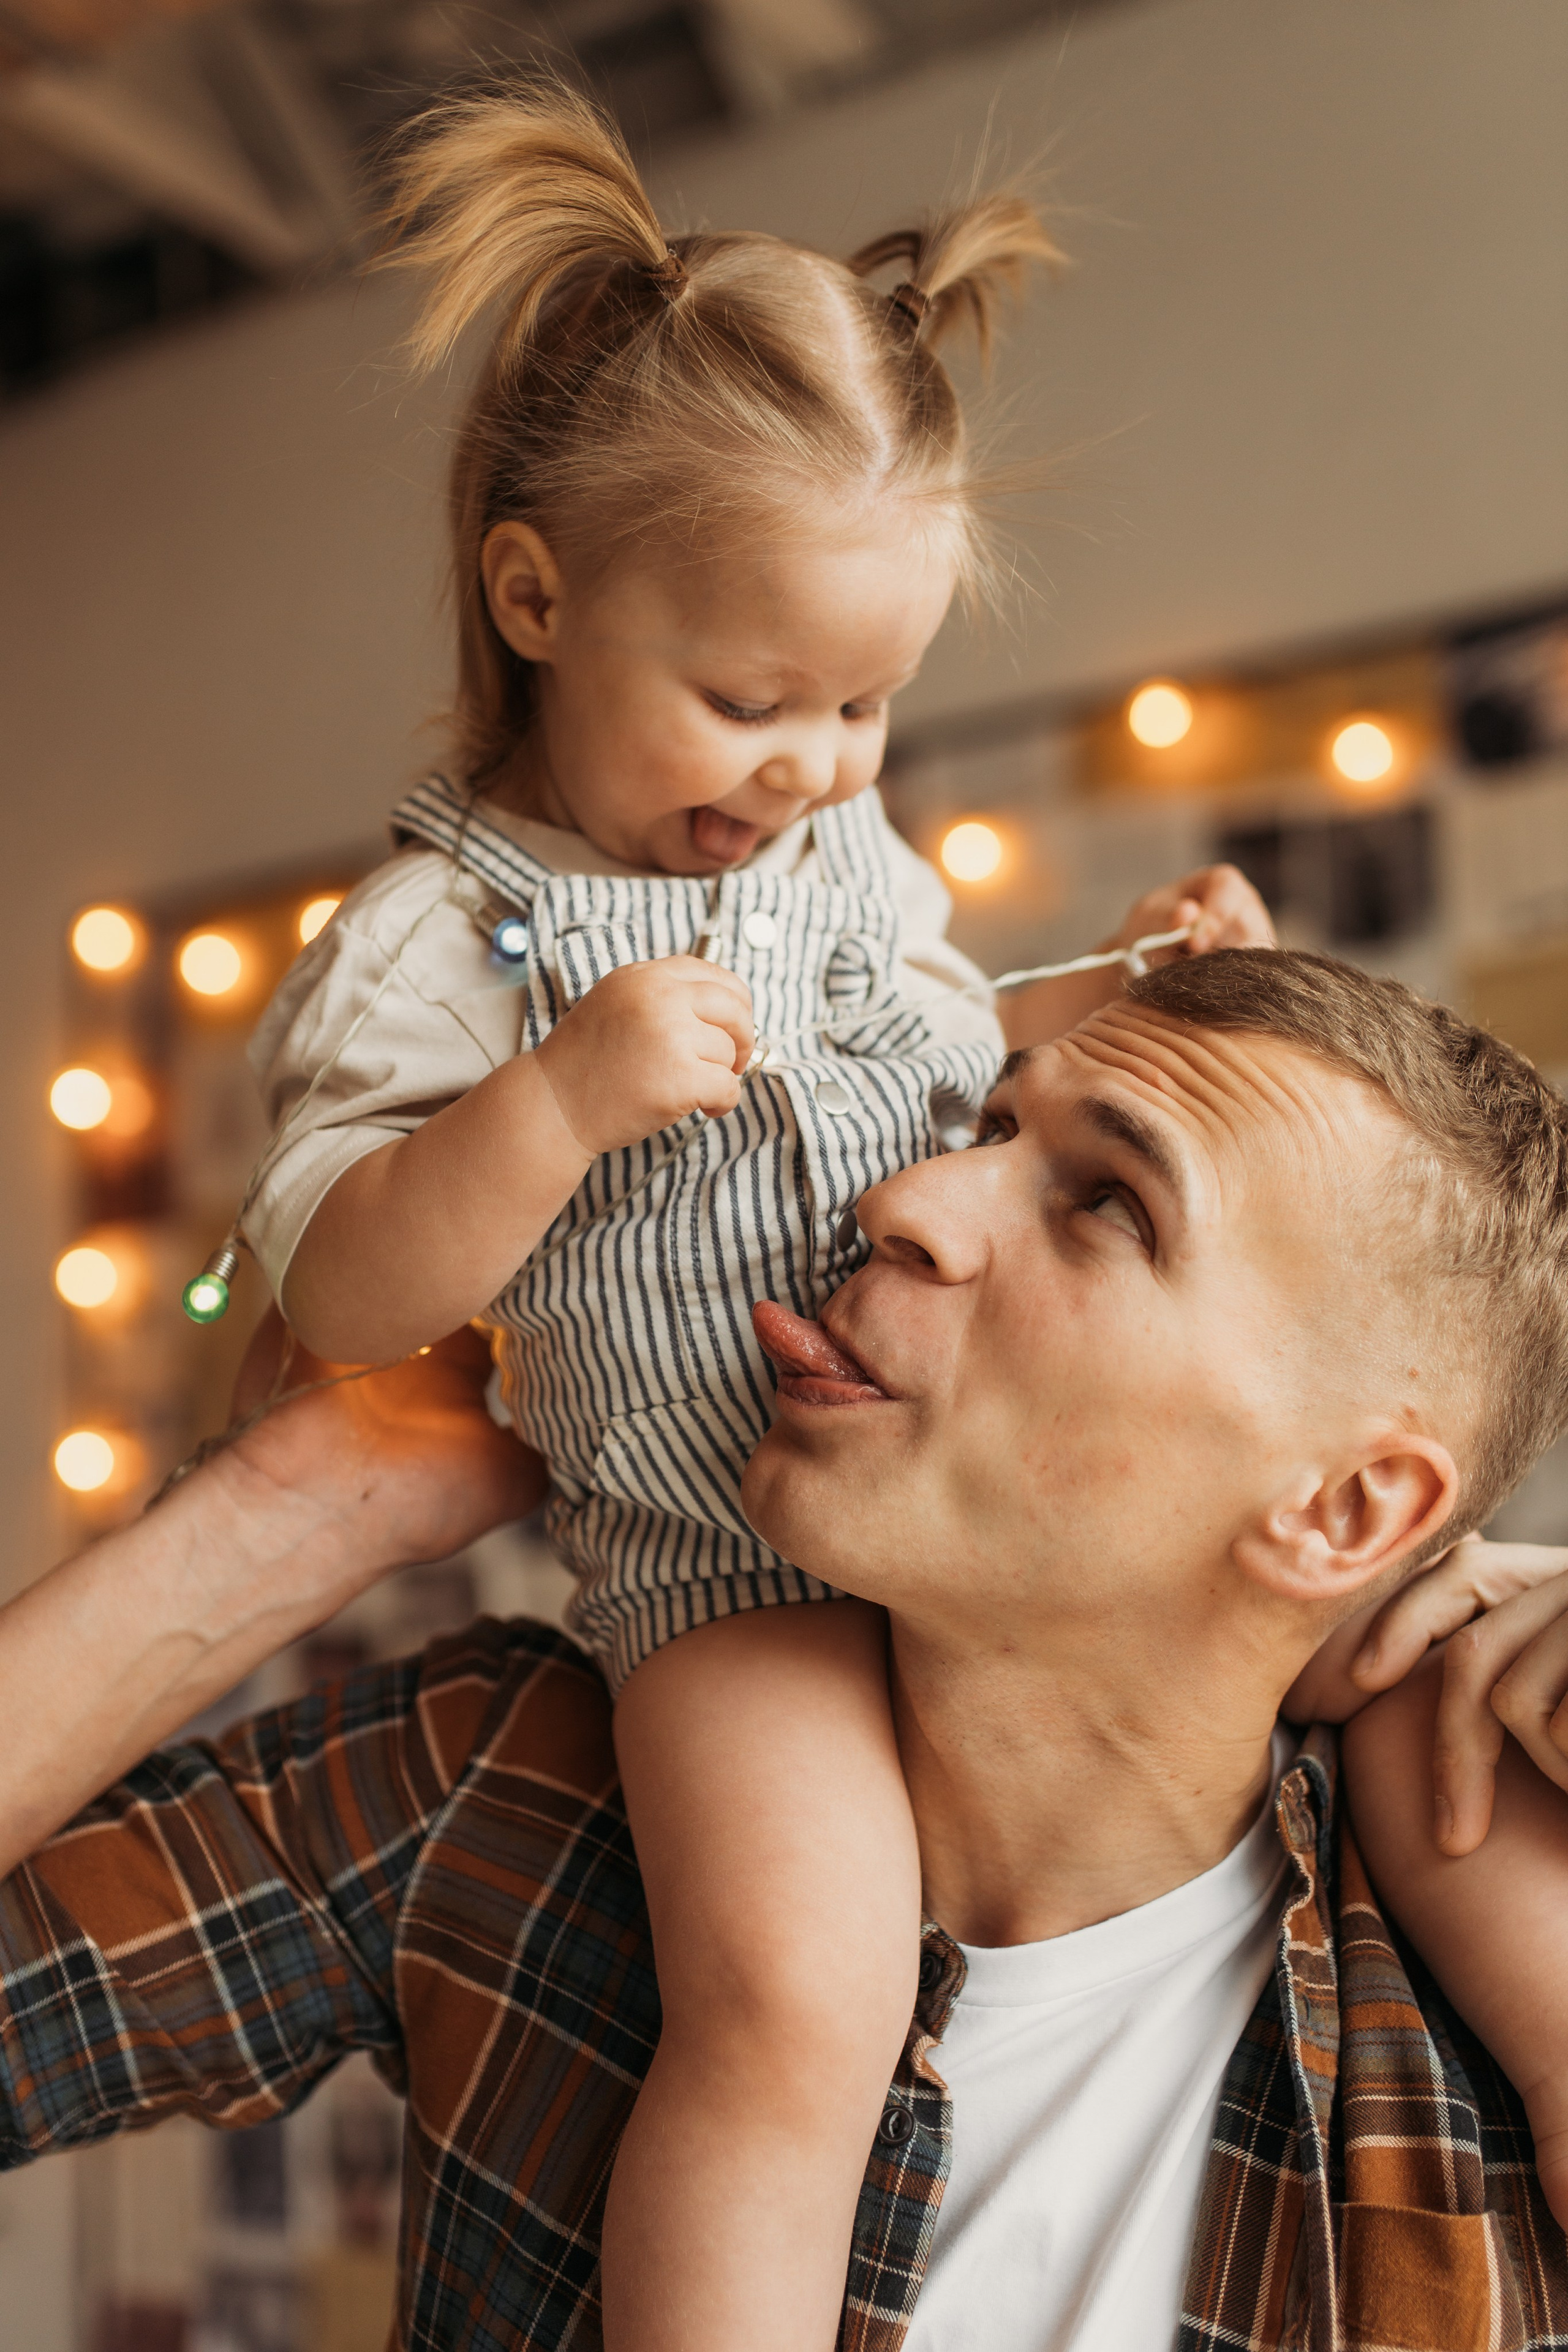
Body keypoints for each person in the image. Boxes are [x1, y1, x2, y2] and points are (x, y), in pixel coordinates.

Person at [233, 81, 1274, 2351]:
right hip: (748, 1565)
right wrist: (553, 1106)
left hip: (989, 1507)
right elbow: (334, 1281)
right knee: (798, 2009)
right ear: (537, 596)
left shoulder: (842, 865)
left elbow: (960, 1050)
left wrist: (1133, 984)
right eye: (748, 698)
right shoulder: (449, 941)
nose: (809, 764)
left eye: (869, 706)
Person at [7, 948, 1568, 2350]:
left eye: (1107, 1205)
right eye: (984, 1131)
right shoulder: (513, 1782)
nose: (901, 1203)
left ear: (1347, 1508)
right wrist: (281, 1514)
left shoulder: (1490, 1987)